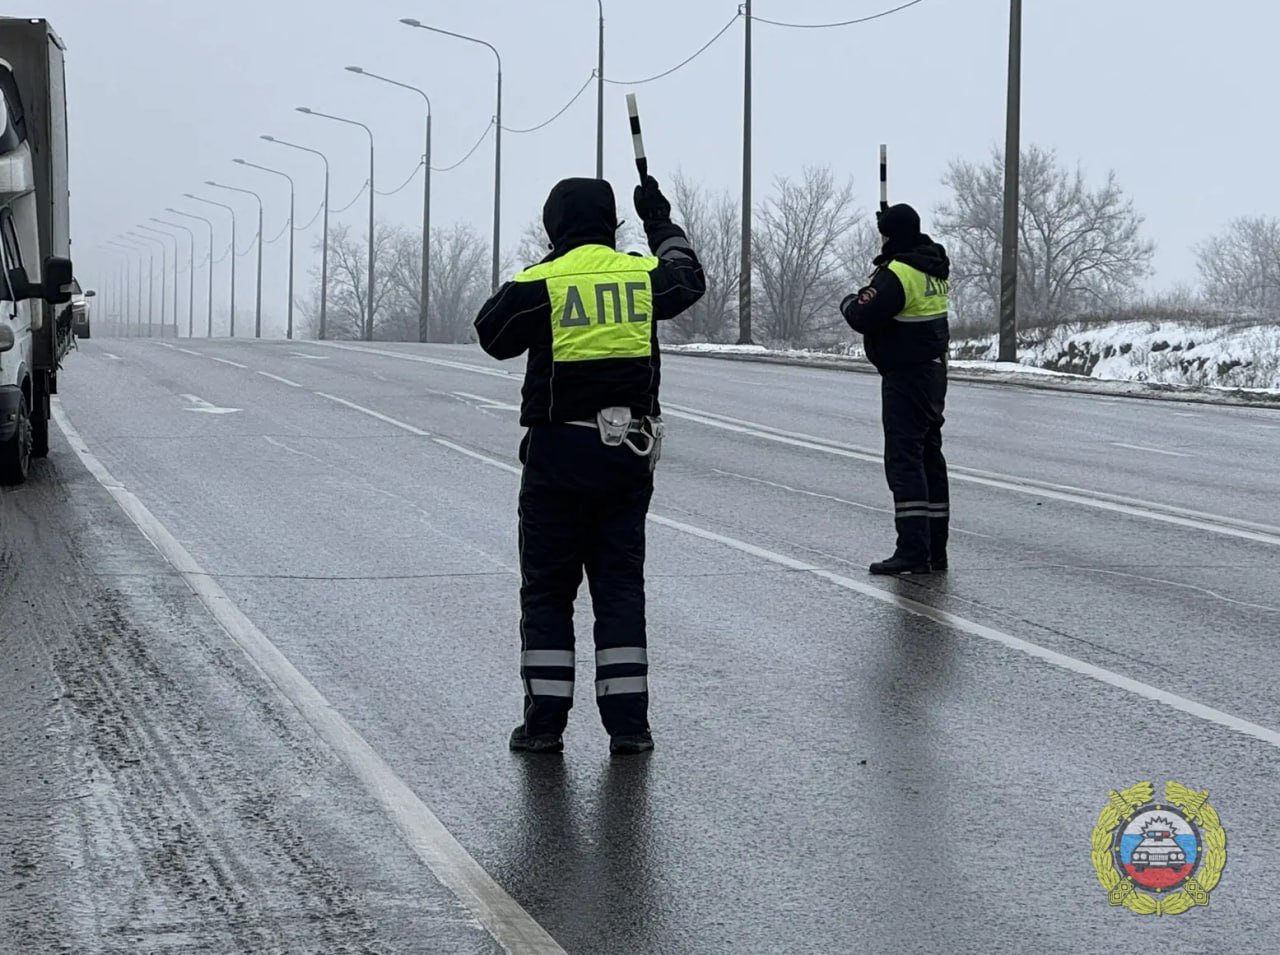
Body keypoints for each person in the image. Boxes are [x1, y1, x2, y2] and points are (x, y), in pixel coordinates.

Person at [474, 174, 705, 755]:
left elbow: (491, 333)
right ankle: (630, 727)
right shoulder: (640, 276)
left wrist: (550, 265)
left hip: (558, 458)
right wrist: (660, 221)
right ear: (612, 223)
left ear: (555, 226)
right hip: (627, 456)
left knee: (549, 591)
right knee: (620, 588)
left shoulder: (542, 282)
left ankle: (544, 724)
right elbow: (688, 277)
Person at [839, 203, 951, 576]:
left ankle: (912, 551)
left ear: (892, 236)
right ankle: (935, 550)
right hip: (934, 372)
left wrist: (849, 301)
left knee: (905, 462)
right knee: (929, 459)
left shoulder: (898, 273)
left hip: (906, 376)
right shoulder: (932, 266)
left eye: (885, 235)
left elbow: (862, 315)